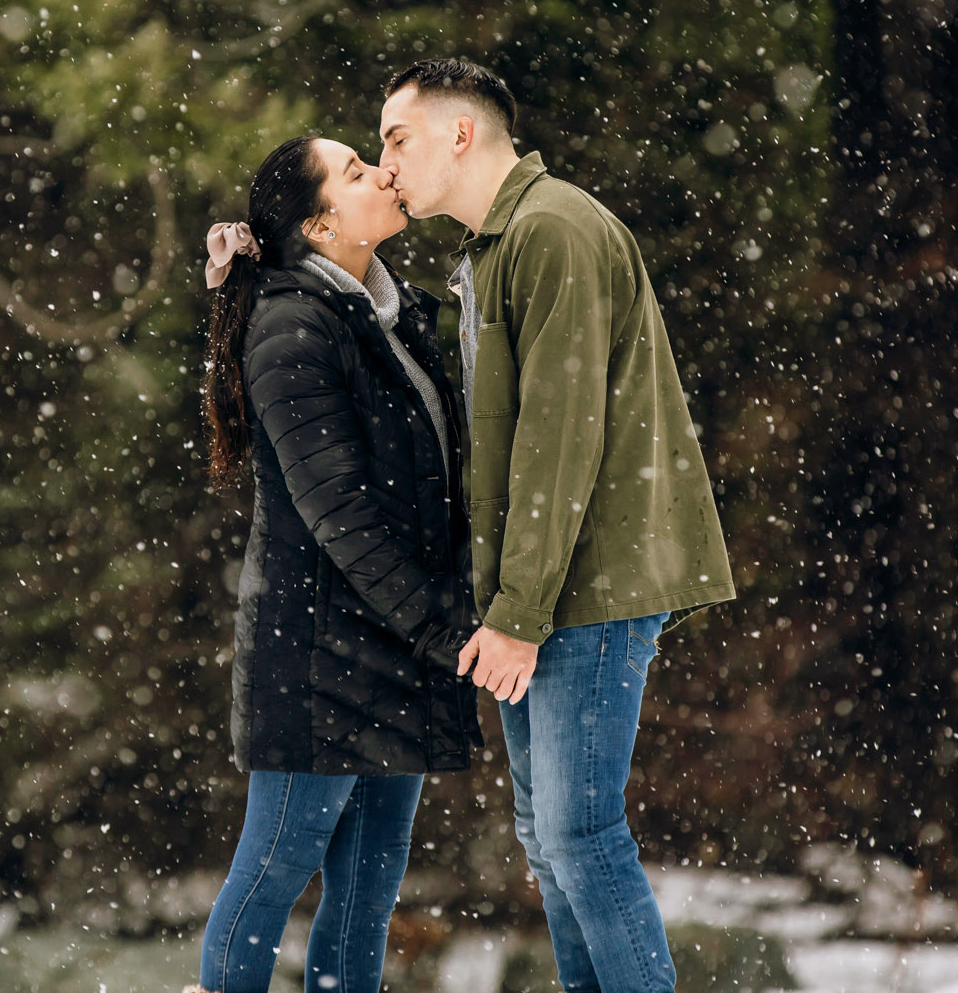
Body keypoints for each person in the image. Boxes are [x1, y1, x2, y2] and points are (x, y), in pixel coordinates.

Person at [377, 59, 735, 993]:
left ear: (462, 134)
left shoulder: (554, 229)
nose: (387, 165)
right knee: (551, 836)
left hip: (588, 582)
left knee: (579, 832)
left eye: (397, 138)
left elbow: (560, 433)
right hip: (543, 588)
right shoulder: (497, 247)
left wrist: (520, 608)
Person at [186, 134, 482, 993]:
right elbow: (340, 515)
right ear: (319, 226)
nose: (381, 172)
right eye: (355, 171)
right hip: (318, 658)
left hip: (396, 639)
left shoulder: (390, 313)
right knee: (276, 866)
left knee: (367, 891)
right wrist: (440, 624)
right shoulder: (289, 329)